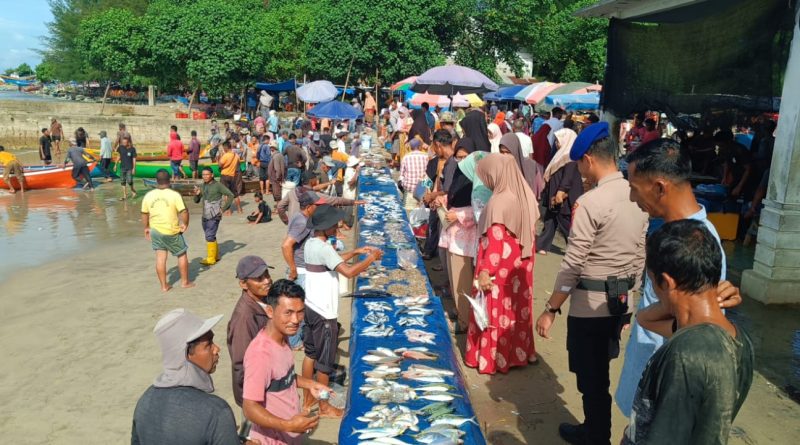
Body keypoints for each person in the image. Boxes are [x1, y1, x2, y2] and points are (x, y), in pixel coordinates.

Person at [534, 123, 649, 445]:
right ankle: (593, 428)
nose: (580, 172)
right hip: (618, 302)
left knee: (590, 377)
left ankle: (596, 435)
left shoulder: (591, 202)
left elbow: (573, 263)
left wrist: (550, 308)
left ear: (588, 159)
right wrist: (629, 301)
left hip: (589, 307)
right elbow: (640, 255)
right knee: (600, 372)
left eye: (579, 165)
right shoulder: (635, 194)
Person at [614, 138, 742, 420]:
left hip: (665, 392)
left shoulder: (697, 245)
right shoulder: (673, 235)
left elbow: (701, 337)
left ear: (659, 187)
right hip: (649, 381)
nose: (633, 199)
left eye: (635, 189)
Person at [621, 220, 753, 445]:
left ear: (668, 282)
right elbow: (644, 319)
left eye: (652, 282)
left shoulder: (686, 354)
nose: (652, 288)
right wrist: (705, 295)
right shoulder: (735, 338)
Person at [301, 205, 383, 417]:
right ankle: (325, 406)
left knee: (310, 354)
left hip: (310, 306)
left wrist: (354, 252)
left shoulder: (312, 243)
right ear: (326, 227)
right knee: (325, 363)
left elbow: (332, 261)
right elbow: (348, 273)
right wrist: (370, 259)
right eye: (334, 224)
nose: (337, 227)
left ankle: (307, 399)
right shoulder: (325, 248)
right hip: (325, 312)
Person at [131, 308, 251, 445]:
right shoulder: (215, 412)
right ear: (187, 353)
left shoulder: (145, 401)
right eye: (208, 345)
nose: (216, 349)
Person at [467, 154, 539, 374]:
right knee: (516, 312)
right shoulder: (524, 196)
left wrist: (485, 272)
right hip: (519, 271)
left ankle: (494, 359)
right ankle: (520, 353)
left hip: (499, 273)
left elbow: (496, 242)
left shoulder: (498, 202)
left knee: (493, 312)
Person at [243, 279, 332, 445]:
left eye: (300, 312)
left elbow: (284, 376)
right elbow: (249, 407)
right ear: (270, 311)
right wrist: (288, 425)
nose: (296, 320)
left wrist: (310, 384)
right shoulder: (260, 355)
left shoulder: (284, 337)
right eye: (288, 313)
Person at [227, 255, 274, 438]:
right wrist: (249, 399)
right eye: (259, 278)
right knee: (253, 436)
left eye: (267, 274)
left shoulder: (262, 302)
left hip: (265, 387)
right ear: (243, 284)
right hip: (253, 394)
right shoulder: (245, 318)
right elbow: (240, 363)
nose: (267, 280)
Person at [436, 138, 478, 334]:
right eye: (458, 157)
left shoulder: (478, 181)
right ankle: (459, 311)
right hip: (454, 234)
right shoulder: (461, 175)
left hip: (465, 237)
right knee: (455, 278)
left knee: (464, 280)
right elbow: (452, 195)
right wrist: (442, 201)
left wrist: (457, 215)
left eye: (465, 157)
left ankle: (465, 321)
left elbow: (480, 210)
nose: (461, 161)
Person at [141, 169, 194, 291]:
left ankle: (164, 286)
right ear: (169, 180)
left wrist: (146, 227)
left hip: (155, 230)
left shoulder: (148, 195)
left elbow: (144, 213)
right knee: (181, 254)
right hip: (171, 231)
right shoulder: (174, 195)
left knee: (160, 258)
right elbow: (184, 211)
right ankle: (184, 282)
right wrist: (185, 223)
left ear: (156, 181)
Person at [537, 127, 582, 254]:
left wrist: (560, 191)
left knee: (564, 221)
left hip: (563, 195)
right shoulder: (561, 154)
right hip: (555, 193)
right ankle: (542, 245)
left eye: (559, 140)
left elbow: (568, 177)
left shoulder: (571, 157)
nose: (557, 144)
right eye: (556, 141)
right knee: (550, 219)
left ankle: (576, 248)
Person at [194, 167, 234, 266]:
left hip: (214, 215)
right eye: (203, 175)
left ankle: (211, 258)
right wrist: (197, 194)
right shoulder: (203, 185)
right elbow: (196, 201)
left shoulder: (218, 185)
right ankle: (216, 256)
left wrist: (223, 209)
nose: (205, 176)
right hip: (205, 215)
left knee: (209, 236)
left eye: (207, 174)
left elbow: (231, 195)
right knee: (210, 235)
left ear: (212, 175)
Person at [498, 132, 541, 197]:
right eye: (502, 152)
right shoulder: (499, 166)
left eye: (508, 152)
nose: (505, 155)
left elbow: (537, 189)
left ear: (515, 149)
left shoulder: (531, 165)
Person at [399, 138, 429, 211]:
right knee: (421, 217)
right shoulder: (426, 156)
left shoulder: (406, 157)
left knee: (409, 214)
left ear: (410, 147)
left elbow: (401, 175)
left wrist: (403, 184)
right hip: (423, 190)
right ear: (420, 147)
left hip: (410, 190)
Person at [218, 141, 243, 214]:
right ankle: (239, 209)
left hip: (225, 175)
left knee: (226, 194)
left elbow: (219, 165)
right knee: (235, 194)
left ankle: (228, 210)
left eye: (223, 147)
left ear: (225, 147)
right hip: (233, 176)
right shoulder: (236, 155)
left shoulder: (225, 155)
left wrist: (221, 156)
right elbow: (238, 164)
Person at [117, 136, 137, 200]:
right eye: (123, 142)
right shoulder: (120, 147)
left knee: (129, 180)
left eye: (125, 142)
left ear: (128, 142)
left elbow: (134, 159)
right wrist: (115, 164)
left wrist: (134, 168)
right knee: (122, 181)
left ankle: (133, 190)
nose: (124, 143)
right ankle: (124, 195)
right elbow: (119, 156)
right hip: (122, 167)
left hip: (129, 167)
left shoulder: (132, 149)